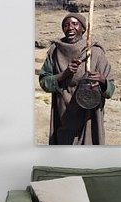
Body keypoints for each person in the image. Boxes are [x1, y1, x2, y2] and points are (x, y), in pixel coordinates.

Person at [39, 12, 115, 145]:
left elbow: (110, 90)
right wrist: (65, 74)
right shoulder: (55, 51)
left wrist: (102, 81)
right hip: (63, 115)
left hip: (89, 116)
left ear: (83, 28)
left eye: (75, 24)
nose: (70, 27)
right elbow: (44, 82)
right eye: (66, 25)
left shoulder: (96, 53)